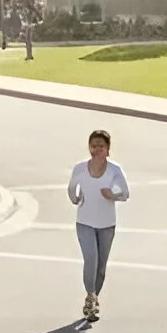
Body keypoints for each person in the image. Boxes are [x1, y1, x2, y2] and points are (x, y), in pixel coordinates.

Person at [66, 128, 129, 322]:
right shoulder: (80, 168)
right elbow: (71, 188)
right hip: (84, 222)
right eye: (93, 146)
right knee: (91, 260)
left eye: (101, 147)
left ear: (108, 149)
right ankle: (90, 297)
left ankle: (94, 298)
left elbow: (125, 194)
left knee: (101, 267)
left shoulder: (114, 170)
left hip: (107, 224)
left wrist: (113, 195)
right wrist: (75, 198)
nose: (97, 150)